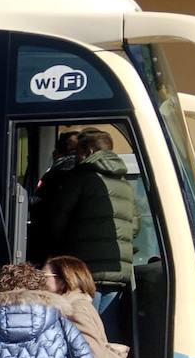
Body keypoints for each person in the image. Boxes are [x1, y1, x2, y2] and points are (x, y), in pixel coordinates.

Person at [45, 127, 139, 337]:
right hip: (118, 271)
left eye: (78, 152)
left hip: (85, 270)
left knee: (83, 326)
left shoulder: (81, 177)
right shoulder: (124, 183)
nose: (77, 157)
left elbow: (58, 219)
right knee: (108, 327)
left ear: (88, 151)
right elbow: (135, 227)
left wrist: (60, 253)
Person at [27, 130, 80, 262]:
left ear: (56, 154)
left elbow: (41, 207)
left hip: (52, 247)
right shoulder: (86, 173)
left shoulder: (57, 173)